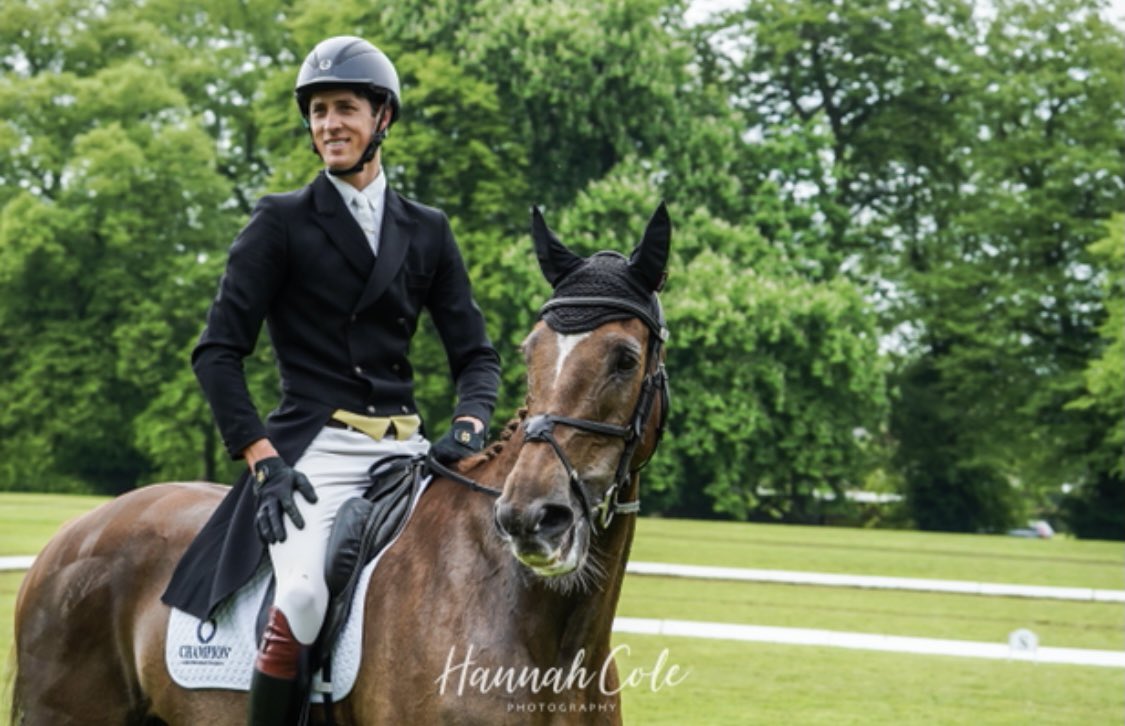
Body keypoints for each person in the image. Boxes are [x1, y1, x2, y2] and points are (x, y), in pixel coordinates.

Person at [160, 36, 501, 724]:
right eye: (317, 111)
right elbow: (218, 351)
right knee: (306, 595)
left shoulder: (427, 230)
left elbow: (476, 356)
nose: (327, 125)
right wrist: (262, 459)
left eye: (344, 107)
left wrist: (466, 425)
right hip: (314, 454)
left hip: (409, 453)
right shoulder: (281, 222)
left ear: (383, 118)